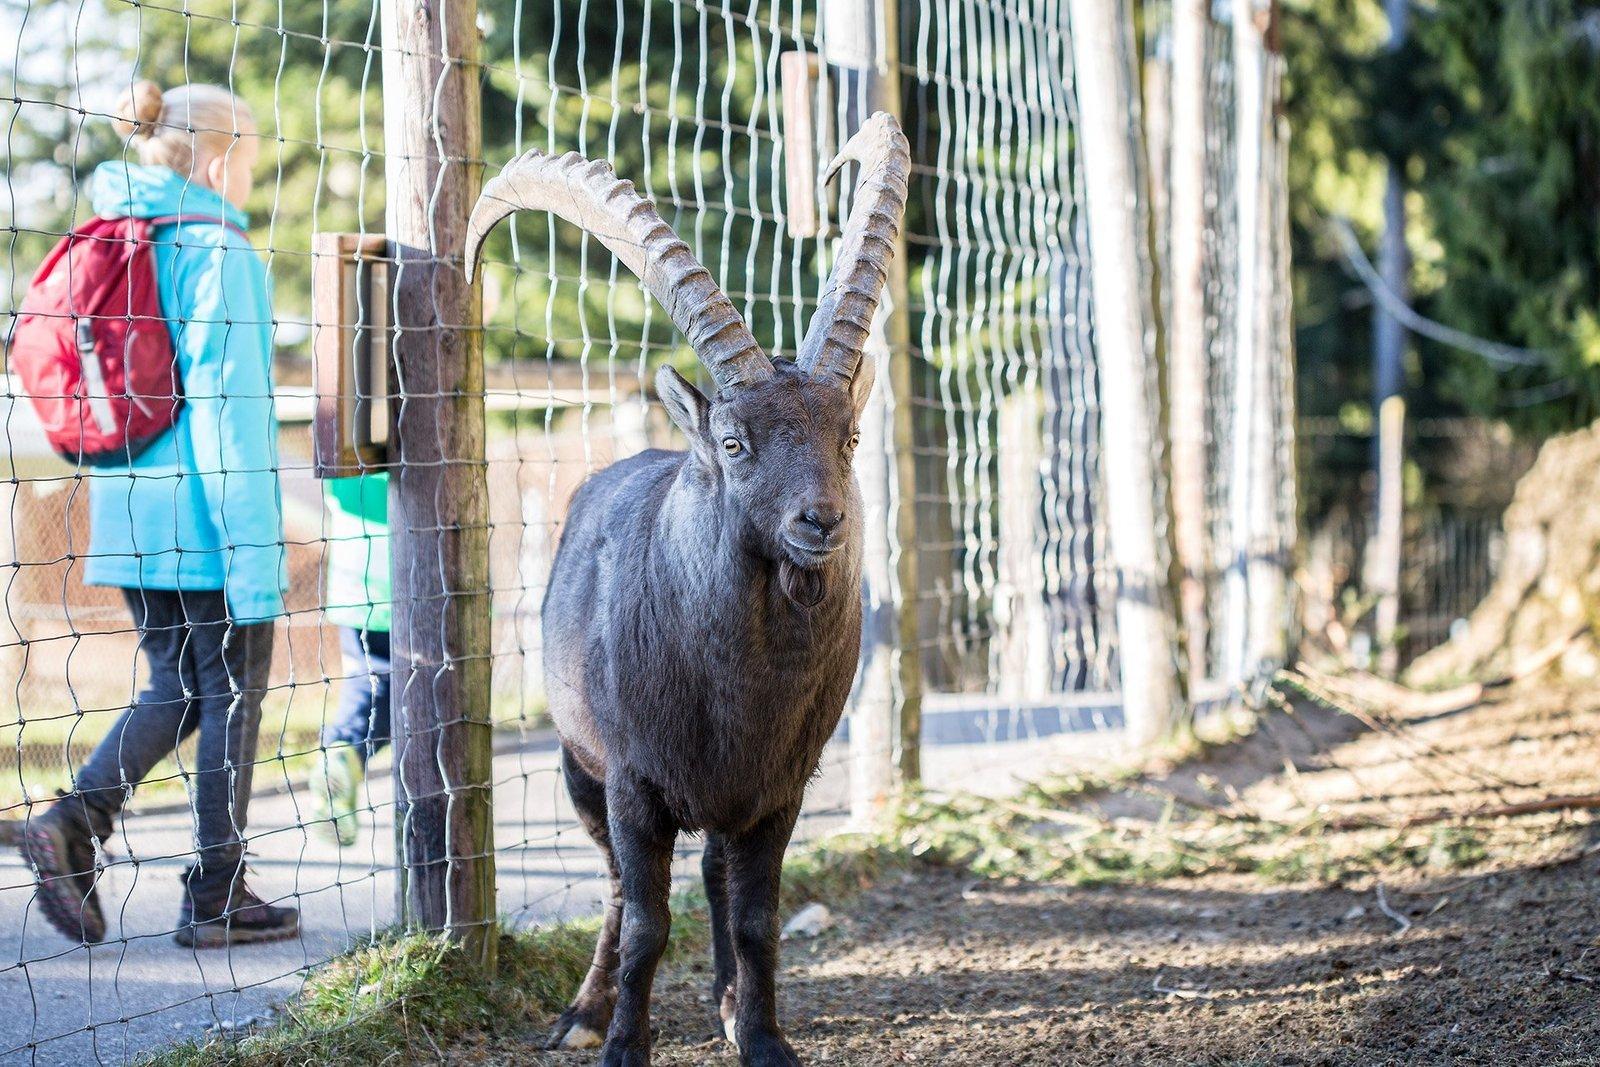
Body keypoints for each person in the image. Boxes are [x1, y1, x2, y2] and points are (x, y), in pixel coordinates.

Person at [16, 81, 296, 948]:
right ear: (218, 159)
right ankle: (212, 891)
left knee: (180, 686)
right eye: (249, 159)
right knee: (233, 692)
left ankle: (74, 823)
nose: (250, 177)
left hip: (129, 509)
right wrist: (254, 555)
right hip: (209, 522)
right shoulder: (221, 252)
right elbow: (229, 415)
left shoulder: (116, 234)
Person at [309, 471, 391, 845]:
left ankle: (342, 752)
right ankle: (346, 753)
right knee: (413, 697)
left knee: (366, 680)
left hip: (353, 576)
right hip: (408, 573)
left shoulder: (340, 416)